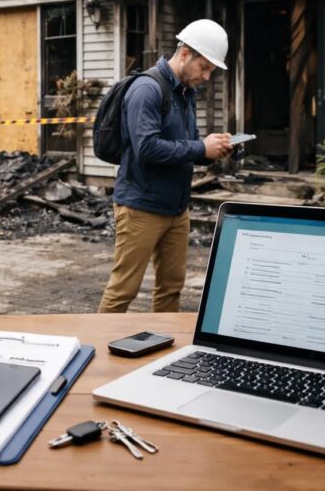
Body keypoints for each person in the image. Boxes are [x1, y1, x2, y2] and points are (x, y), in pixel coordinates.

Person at [98, 19, 233, 313]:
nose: (207, 76)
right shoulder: (147, 89)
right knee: (123, 291)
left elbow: (186, 146)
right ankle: (96, 349)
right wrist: (200, 147)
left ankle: (165, 351)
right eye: (205, 67)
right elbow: (147, 148)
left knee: (171, 289)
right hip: (141, 208)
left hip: (176, 208)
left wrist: (211, 150)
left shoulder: (185, 93)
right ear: (185, 54)